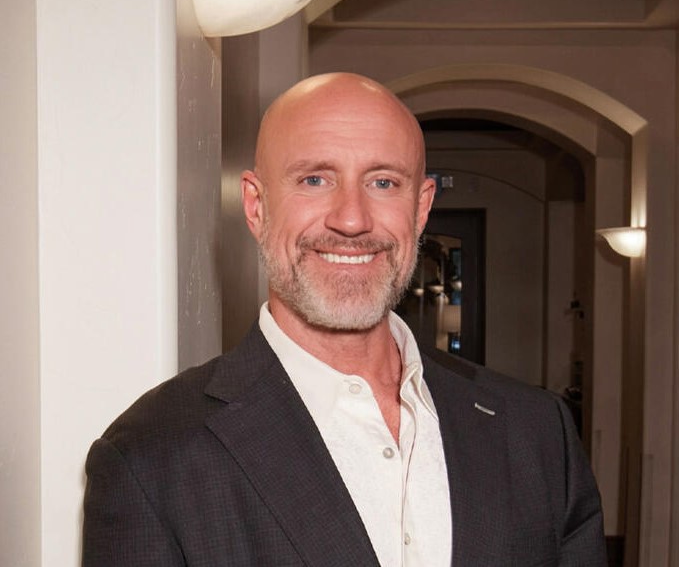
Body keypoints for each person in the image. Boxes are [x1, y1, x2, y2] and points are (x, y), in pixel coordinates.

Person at [82, 73, 606, 566]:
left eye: (383, 182)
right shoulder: (151, 458)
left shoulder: (537, 432)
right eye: (315, 179)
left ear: (421, 208)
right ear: (257, 206)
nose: (352, 219)